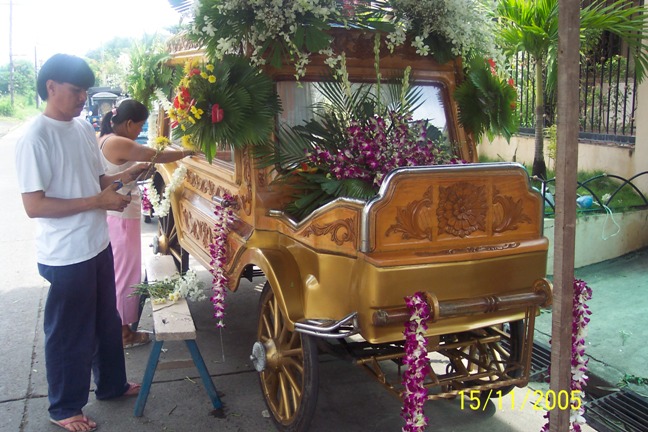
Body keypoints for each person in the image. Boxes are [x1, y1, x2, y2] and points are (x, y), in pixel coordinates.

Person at [15, 54, 147, 432]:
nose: (81, 98)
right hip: (64, 254)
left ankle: (111, 385)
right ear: (51, 87)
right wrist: (98, 201)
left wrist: (126, 175)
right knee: (69, 331)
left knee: (107, 321)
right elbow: (34, 205)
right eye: (75, 90)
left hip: (96, 243)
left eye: (84, 91)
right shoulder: (34, 138)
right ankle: (64, 407)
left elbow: (99, 181)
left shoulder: (81, 130)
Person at [98, 99, 194, 348]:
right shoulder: (119, 141)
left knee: (120, 271)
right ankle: (123, 334)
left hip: (116, 216)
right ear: (128, 123)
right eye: (139, 126)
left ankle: (119, 329)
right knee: (124, 274)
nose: (139, 131)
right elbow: (155, 155)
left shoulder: (104, 138)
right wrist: (187, 152)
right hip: (121, 218)